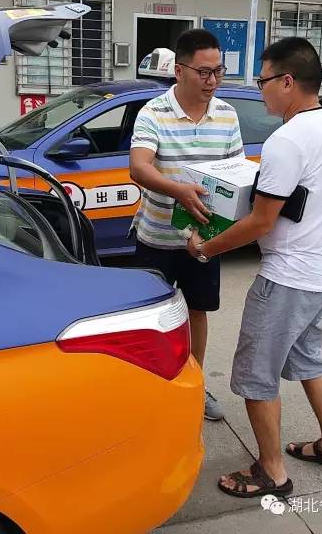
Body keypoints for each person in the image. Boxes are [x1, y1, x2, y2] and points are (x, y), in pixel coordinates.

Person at [186, 37, 322, 497]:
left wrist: (205, 249)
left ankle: (271, 471)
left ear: (287, 81)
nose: (259, 88)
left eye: (263, 80)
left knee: (255, 377)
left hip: (288, 279)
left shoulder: (288, 139)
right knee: (310, 361)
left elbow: (262, 221)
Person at [129, 29, 244, 421]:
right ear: (179, 71)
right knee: (152, 317)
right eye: (204, 72)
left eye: (218, 71)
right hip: (156, 237)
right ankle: (151, 386)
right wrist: (178, 191)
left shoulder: (226, 115)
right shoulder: (153, 113)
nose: (212, 81)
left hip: (204, 238)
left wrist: (216, 232)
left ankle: (194, 385)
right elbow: (139, 167)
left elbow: (235, 172)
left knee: (197, 311)